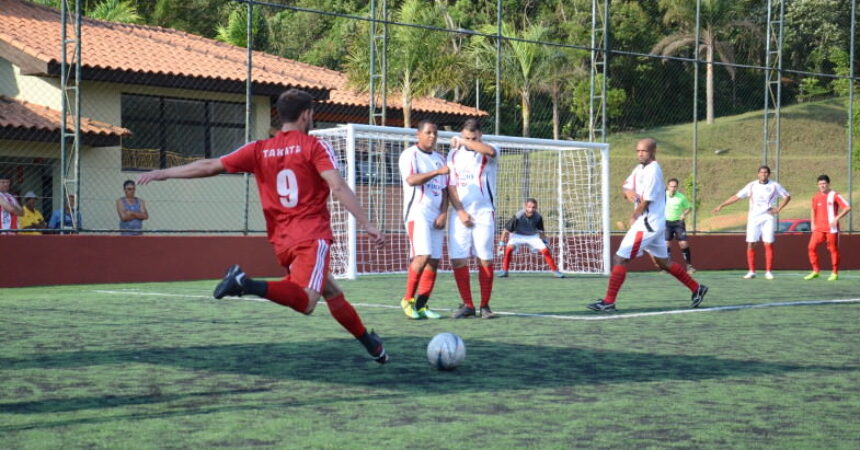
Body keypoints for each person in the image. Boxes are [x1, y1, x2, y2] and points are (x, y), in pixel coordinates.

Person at [137, 88, 389, 364]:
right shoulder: (314, 146)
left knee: (330, 290)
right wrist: (368, 224)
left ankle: (372, 345)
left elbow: (210, 165)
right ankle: (245, 284)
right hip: (311, 236)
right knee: (306, 302)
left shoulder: (259, 149)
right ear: (306, 115)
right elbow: (337, 186)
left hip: (282, 242)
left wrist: (164, 173)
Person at [588, 138, 708, 312]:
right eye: (637, 151)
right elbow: (625, 187)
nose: (640, 154)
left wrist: (634, 216)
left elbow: (647, 201)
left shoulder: (653, 170)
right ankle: (697, 289)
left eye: (643, 151)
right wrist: (627, 192)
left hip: (646, 224)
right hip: (654, 223)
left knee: (620, 258)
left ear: (652, 152)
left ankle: (609, 301)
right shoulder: (639, 169)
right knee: (663, 263)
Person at [447, 119, 499, 319]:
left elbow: (491, 152)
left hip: (484, 212)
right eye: (466, 137)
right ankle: (468, 305)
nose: (470, 140)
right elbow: (451, 185)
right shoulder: (453, 154)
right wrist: (459, 210)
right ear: (461, 133)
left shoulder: (489, 150)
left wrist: (464, 142)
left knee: (484, 259)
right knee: (458, 260)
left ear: (480, 136)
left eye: (474, 137)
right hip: (460, 214)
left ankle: (485, 306)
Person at [398, 119, 449, 320]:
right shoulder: (409, 155)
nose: (432, 136)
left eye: (435, 133)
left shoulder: (440, 158)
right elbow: (411, 180)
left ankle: (421, 305)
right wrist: (436, 172)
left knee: (434, 261)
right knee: (422, 255)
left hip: (436, 215)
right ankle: (407, 300)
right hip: (417, 213)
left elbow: (445, 190)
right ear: (418, 134)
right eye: (428, 132)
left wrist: (444, 212)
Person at [713, 165, 790, 280]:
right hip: (754, 218)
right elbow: (737, 196)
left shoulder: (774, 185)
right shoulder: (752, 185)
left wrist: (778, 209)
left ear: (769, 174)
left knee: (768, 243)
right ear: (758, 174)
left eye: (765, 172)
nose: (763, 174)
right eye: (761, 172)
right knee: (751, 243)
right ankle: (751, 271)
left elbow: (787, 196)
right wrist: (722, 205)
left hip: (768, 217)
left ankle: (768, 271)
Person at [497, 198, 564, 278]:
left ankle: (555, 271)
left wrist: (546, 242)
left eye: (533, 207)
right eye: (529, 207)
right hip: (518, 235)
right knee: (509, 249)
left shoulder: (538, 217)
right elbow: (505, 230)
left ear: (536, 207)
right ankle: (505, 271)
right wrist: (501, 243)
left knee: (545, 251)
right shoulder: (518, 216)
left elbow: (540, 232)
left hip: (532, 236)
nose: (531, 209)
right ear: (525, 206)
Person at [804, 174, 851, 281]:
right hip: (818, 229)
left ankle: (834, 273)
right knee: (811, 247)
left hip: (831, 229)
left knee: (833, 250)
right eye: (820, 184)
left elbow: (847, 207)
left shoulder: (835, 195)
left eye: (824, 183)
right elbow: (813, 210)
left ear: (828, 184)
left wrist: (836, 218)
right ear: (817, 185)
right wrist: (812, 223)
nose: (822, 186)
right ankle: (815, 271)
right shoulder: (815, 197)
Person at [664, 178, 695, 274]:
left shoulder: (681, 197)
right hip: (666, 222)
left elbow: (689, 208)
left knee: (683, 244)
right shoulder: (662, 196)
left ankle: (689, 266)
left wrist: (684, 214)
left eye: (675, 186)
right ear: (668, 186)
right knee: (666, 244)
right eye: (671, 186)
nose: (673, 188)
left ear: (677, 187)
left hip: (678, 223)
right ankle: (667, 266)